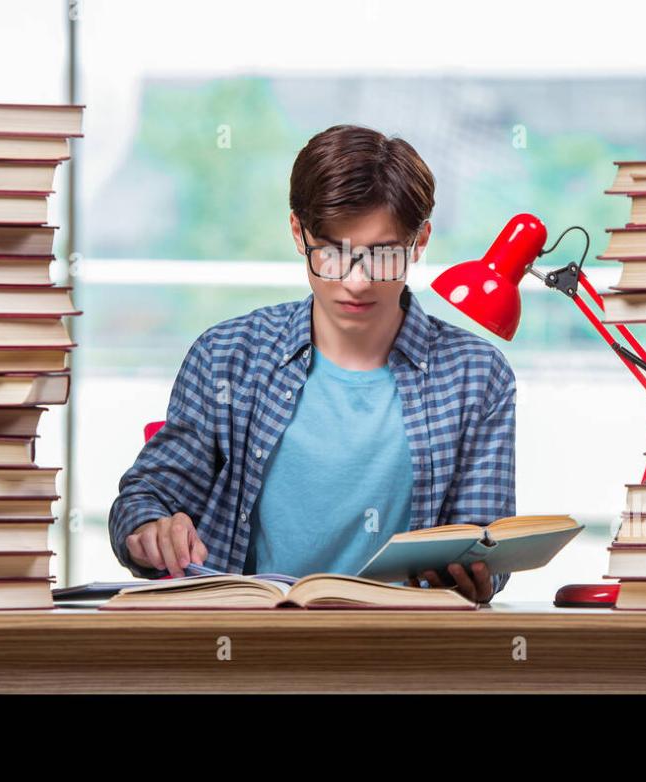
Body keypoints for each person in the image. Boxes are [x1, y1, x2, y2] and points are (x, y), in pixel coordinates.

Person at [108, 124, 517, 602]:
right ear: (298, 233)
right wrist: (152, 530)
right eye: (332, 253)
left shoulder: (477, 375)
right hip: (247, 643)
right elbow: (142, 501)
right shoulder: (226, 356)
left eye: (383, 255)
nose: (357, 281)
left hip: (404, 648)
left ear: (420, 241)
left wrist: (475, 573)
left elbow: (487, 547)